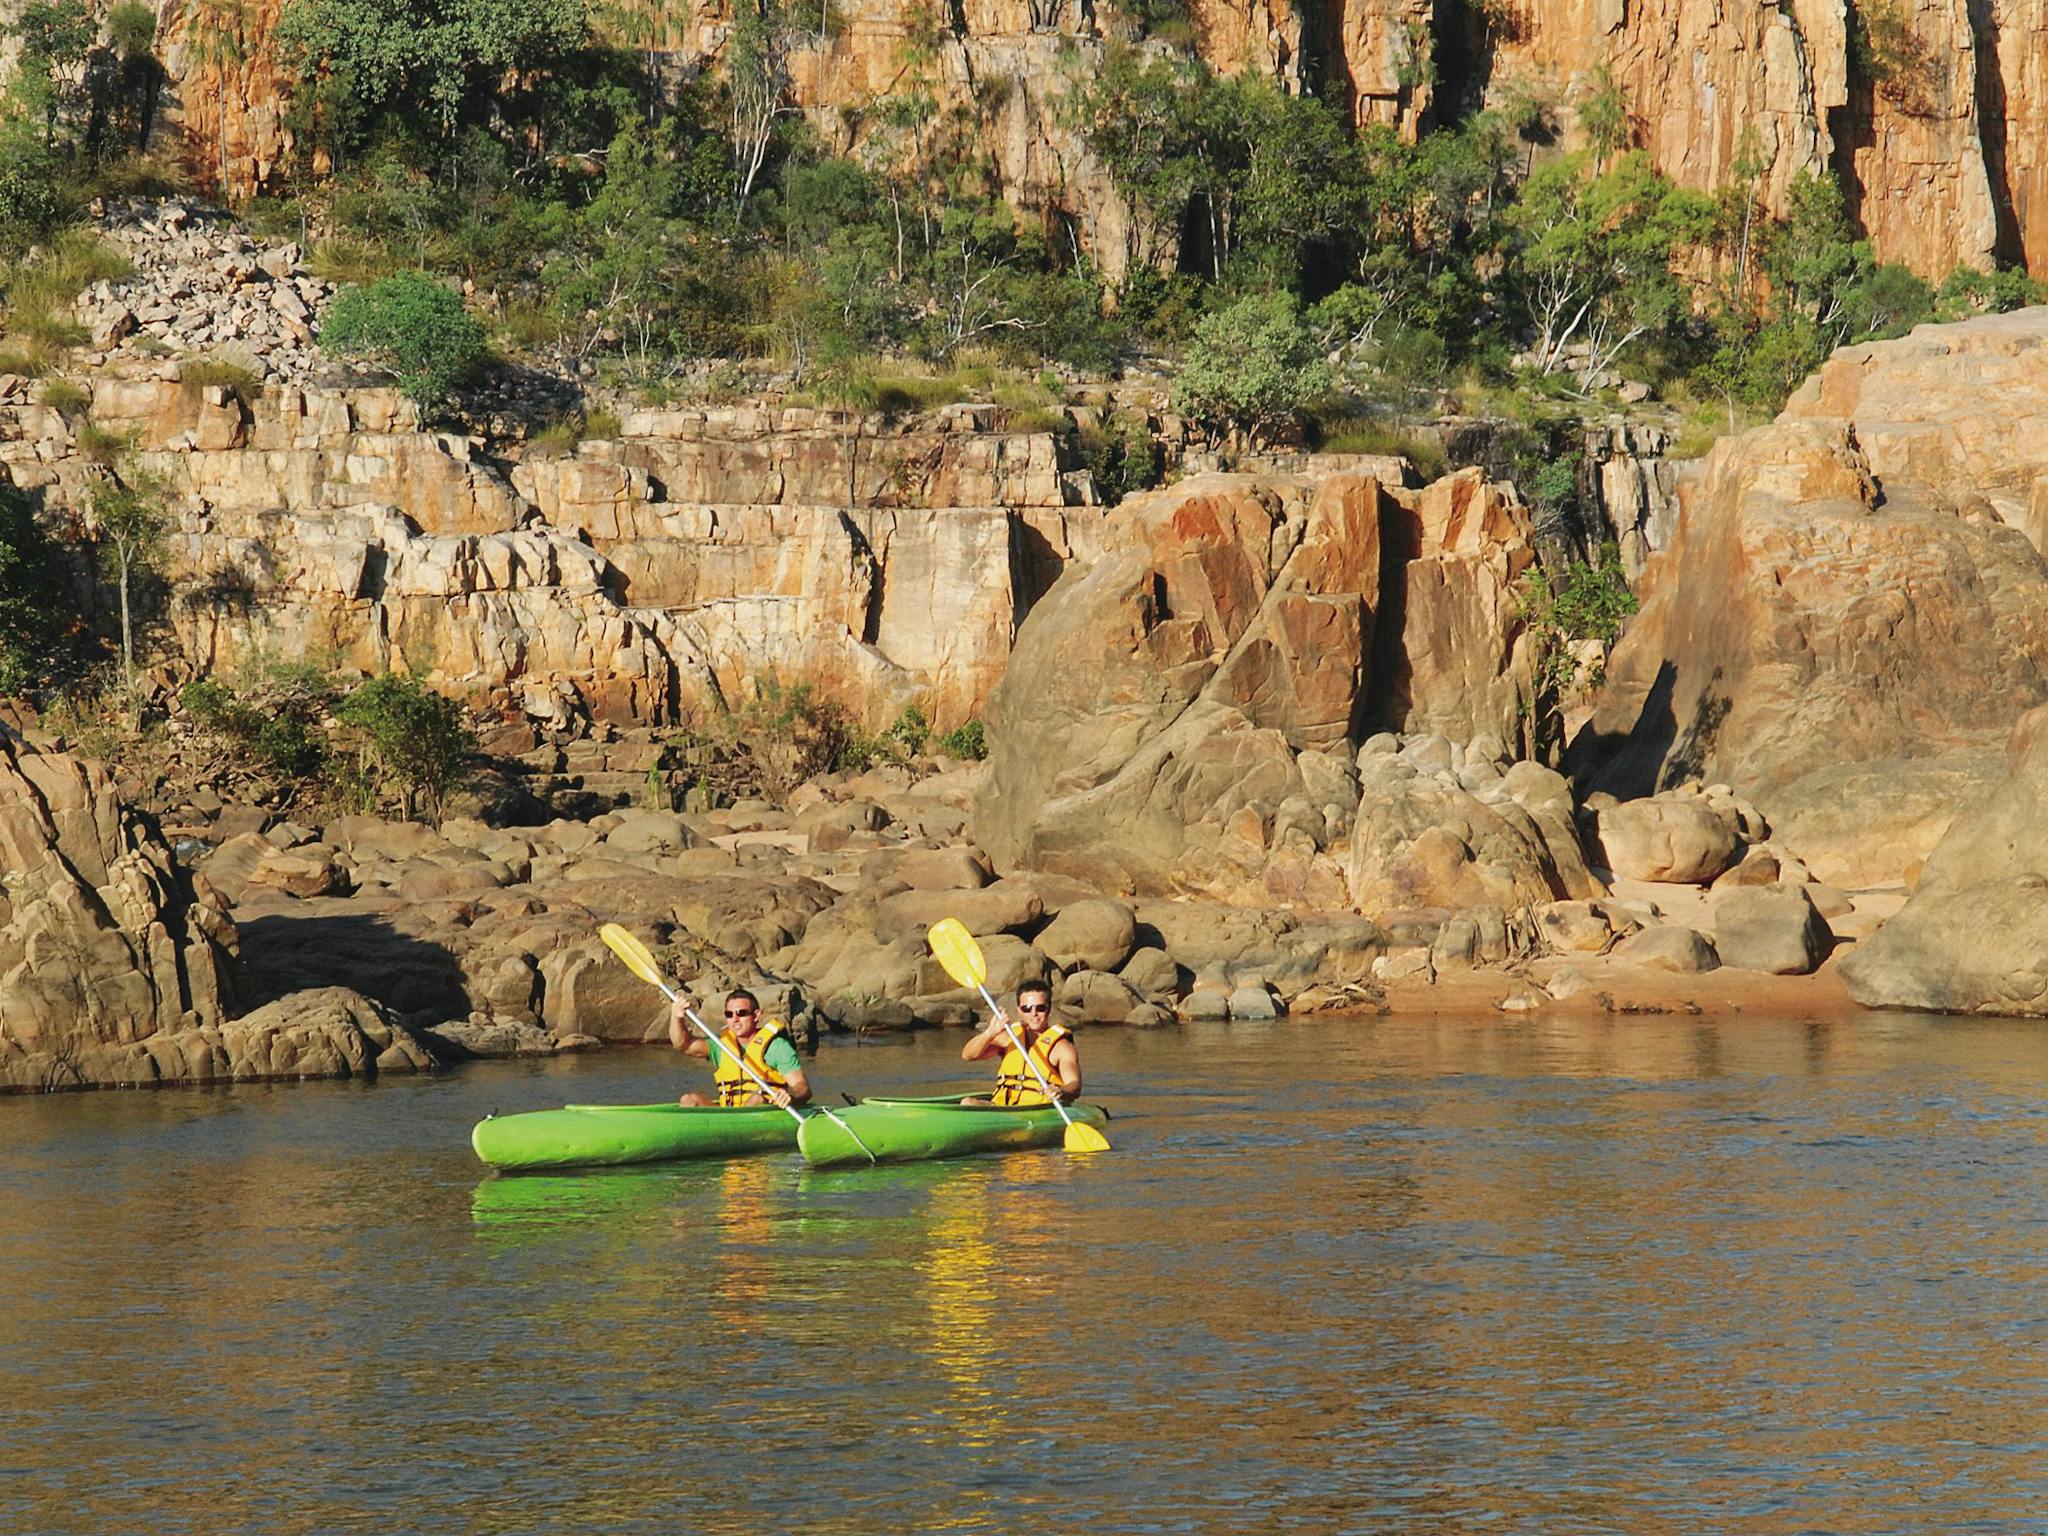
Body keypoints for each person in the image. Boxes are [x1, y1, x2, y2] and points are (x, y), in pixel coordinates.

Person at [671, 988, 811, 1109]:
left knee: (757, 1099)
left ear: (756, 1015)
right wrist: (677, 1017)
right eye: (729, 1014)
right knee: (688, 1099)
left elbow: (802, 1087)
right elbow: (682, 1044)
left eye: (741, 1013)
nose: (735, 1019)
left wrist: (791, 1098)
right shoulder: (721, 1046)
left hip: (764, 1112)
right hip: (730, 1114)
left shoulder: (777, 1047)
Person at [960, 978, 1081, 1106]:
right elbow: (968, 1055)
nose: (1034, 1013)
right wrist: (990, 1033)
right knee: (968, 1103)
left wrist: (1061, 1091)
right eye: (1027, 1008)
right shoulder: (1009, 1037)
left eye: (1040, 1008)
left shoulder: (1061, 1047)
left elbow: (1074, 1085)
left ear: (1049, 1009)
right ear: (1019, 1010)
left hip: (1039, 1109)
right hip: (1003, 1107)